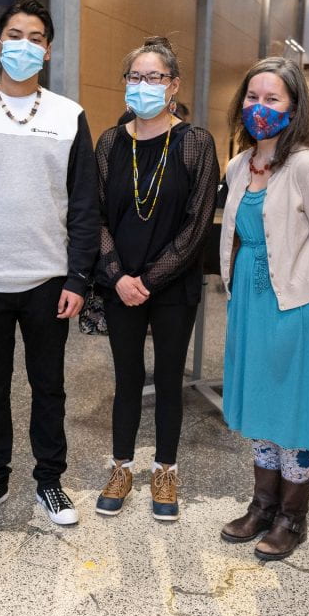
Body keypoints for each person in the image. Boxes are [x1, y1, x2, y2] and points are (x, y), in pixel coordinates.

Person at [0, 0, 98, 526]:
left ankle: (50, 482)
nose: (23, 45)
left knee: (49, 387)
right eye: (14, 34)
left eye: (35, 37)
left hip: (49, 281)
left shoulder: (69, 116)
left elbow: (83, 205)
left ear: (47, 50)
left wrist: (77, 276)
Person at [218, 57, 309, 560]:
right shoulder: (238, 164)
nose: (260, 107)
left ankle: (293, 517)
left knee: (290, 415)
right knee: (260, 408)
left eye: (272, 99)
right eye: (253, 97)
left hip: (297, 305)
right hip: (249, 305)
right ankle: (262, 505)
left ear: (294, 106)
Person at [92, 37, 218, 521]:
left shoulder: (195, 143)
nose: (144, 86)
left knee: (168, 380)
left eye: (155, 77)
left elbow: (197, 222)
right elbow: (96, 216)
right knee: (126, 379)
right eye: (135, 77)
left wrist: (152, 277)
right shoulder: (109, 142)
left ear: (174, 85)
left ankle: (165, 470)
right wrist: (120, 276)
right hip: (119, 282)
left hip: (173, 284)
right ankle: (121, 466)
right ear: (125, 84)